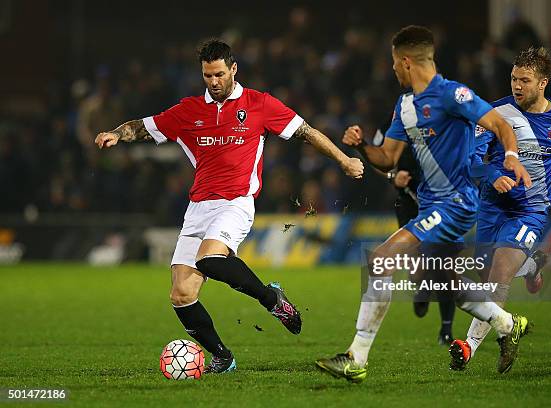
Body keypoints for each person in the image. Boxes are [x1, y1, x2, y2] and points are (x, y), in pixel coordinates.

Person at [95, 39, 364, 374]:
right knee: (181, 293)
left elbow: (306, 131)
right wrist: (117, 134)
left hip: (236, 202)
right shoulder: (188, 111)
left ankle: (272, 300)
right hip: (197, 207)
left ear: (234, 69)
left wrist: (342, 160)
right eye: (208, 75)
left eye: (220, 74)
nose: (214, 81)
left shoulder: (259, 104)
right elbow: (141, 127)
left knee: (209, 259)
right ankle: (223, 357)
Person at [315, 25, 533, 383]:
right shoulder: (405, 106)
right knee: (446, 283)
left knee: (382, 260)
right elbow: (387, 158)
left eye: (393, 64)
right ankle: (507, 324)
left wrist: (511, 155)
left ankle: (356, 357)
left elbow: (498, 123)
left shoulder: (453, 95)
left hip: (457, 202)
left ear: (405, 62)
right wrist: (361, 146)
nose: (392, 71)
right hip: (430, 205)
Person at [449, 46, 551, 371]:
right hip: (492, 208)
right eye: (513, 79)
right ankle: (529, 269)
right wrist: (492, 174)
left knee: (499, 275)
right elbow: (471, 161)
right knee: (486, 276)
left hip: (530, 210)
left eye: (525, 80)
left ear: (543, 82)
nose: (517, 86)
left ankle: (468, 348)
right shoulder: (494, 113)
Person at [380, 128, 456, 345]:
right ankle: (424, 286)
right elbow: (380, 160)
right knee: (417, 272)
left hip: (441, 202)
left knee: (445, 266)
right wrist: (393, 176)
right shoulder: (396, 121)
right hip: (409, 204)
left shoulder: (445, 117)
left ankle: (446, 329)